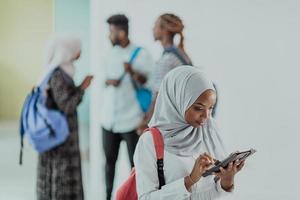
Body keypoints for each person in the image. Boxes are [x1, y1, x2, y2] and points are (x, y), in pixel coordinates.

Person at [134, 66, 245, 199]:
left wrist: (226, 182)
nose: (206, 116)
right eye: (198, 108)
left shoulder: (209, 131)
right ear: (177, 100)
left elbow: (207, 194)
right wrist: (190, 180)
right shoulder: (149, 142)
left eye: (210, 108)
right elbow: (145, 198)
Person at [100, 14, 153, 200]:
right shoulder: (108, 53)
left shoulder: (141, 54)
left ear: (122, 32)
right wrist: (109, 81)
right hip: (109, 120)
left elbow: (148, 82)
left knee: (135, 165)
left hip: (132, 120)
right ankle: (107, 196)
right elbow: (104, 80)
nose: (109, 35)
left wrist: (133, 72)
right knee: (109, 163)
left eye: (112, 31)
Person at [37, 35, 92, 200]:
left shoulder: (62, 71)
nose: (80, 53)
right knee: (61, 178)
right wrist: (82, 88)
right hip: (60, 140)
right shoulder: (58, 74)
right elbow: (66, 105)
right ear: (68, 51)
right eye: (77, 49)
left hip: (60, 136)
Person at [137, 13, 192, 134]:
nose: (152, 29)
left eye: (155, 25)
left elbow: (159, 94)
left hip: (171, 122)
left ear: (164, 30)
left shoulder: (167, 59)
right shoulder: (180, 55)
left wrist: (146, 121)